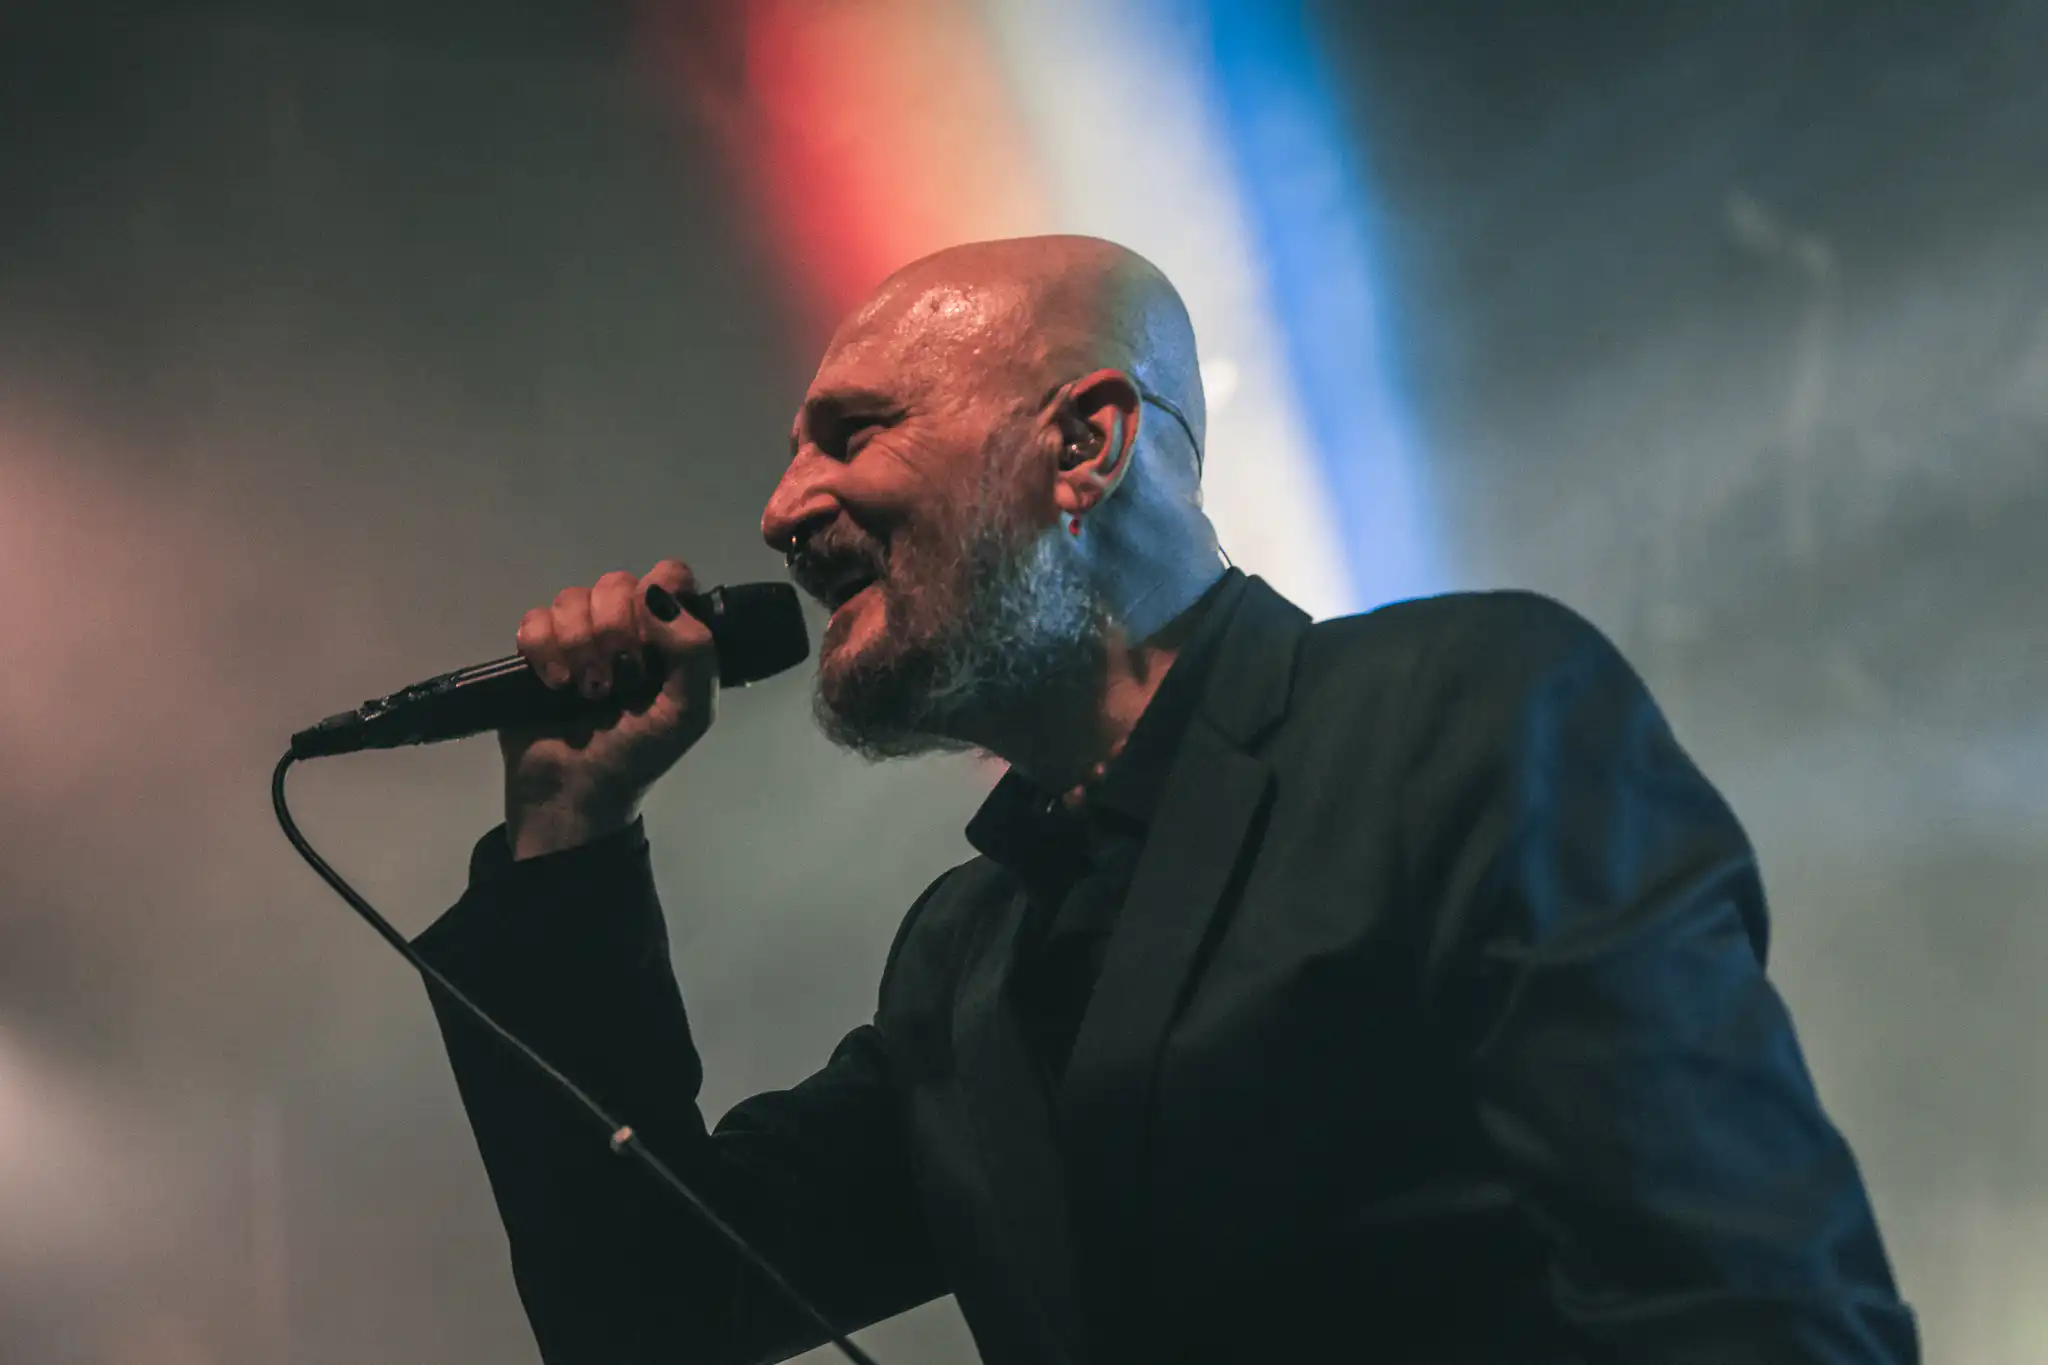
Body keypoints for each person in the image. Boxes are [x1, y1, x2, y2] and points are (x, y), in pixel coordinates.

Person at [415, 236, 1917, 1364]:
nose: (780, 506)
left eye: (852, 431)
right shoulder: (966, 959)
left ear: (1084, 444)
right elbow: (655, 1312)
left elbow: (1749, 1310)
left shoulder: (1453, 721)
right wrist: (565, 836)